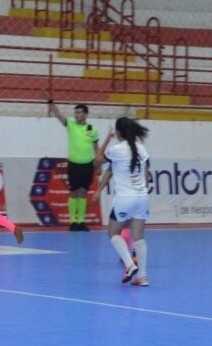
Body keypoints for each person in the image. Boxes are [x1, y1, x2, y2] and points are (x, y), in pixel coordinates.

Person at [95, 117, 151, 286]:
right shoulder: (141, 148)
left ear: (118, 132)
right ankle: (142, 276)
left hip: (125, 198)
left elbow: (96, 161)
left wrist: (107, 138)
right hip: (142, 196)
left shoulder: (117, 149)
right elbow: (147, 173)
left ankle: (129, 264)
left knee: (113, 233)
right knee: (139, 238)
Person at [47, 100, 99, 231]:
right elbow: (58, 114)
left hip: (87, 165)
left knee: (83, 192)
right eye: (76, 113)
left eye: (80, 113)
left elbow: (96, 148)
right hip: (74, 165)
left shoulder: (93, 129)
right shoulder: (70, 125)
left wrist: (98, 166)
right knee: (74, 192)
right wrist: (50, 103)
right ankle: (73, 222)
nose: (77, 115)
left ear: (86, 114)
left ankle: (81, 221)